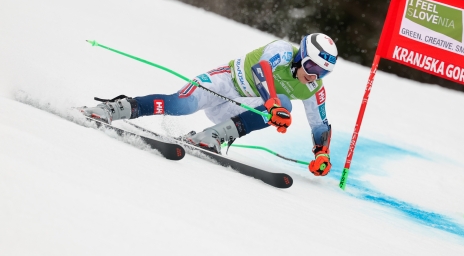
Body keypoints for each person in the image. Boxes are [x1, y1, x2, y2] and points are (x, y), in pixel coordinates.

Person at [80, 33, 338, 176]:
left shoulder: (313, 87)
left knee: (284, 105)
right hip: (223, 83)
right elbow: (262, 69)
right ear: (302, 55)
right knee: (180, 105)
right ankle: (114, 109)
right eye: (312, 66)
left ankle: (212, 136)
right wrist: (272, 104)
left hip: (238, 107)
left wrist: (321, 153)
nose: (314, 75)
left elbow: (320, 125)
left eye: (323, 73)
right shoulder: (282, 49)